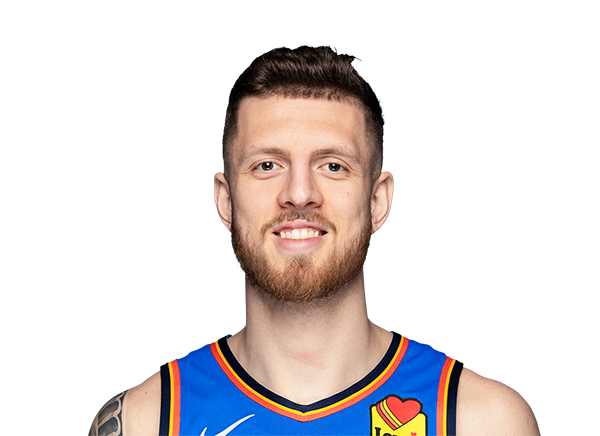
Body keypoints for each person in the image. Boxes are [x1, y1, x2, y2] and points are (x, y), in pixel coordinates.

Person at [89, 44, 540, 436]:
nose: (300, 193)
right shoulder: (145, 422)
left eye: (333, 166)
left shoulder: (480, 421)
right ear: (226, 200)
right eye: (267, 165)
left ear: (378, 201)